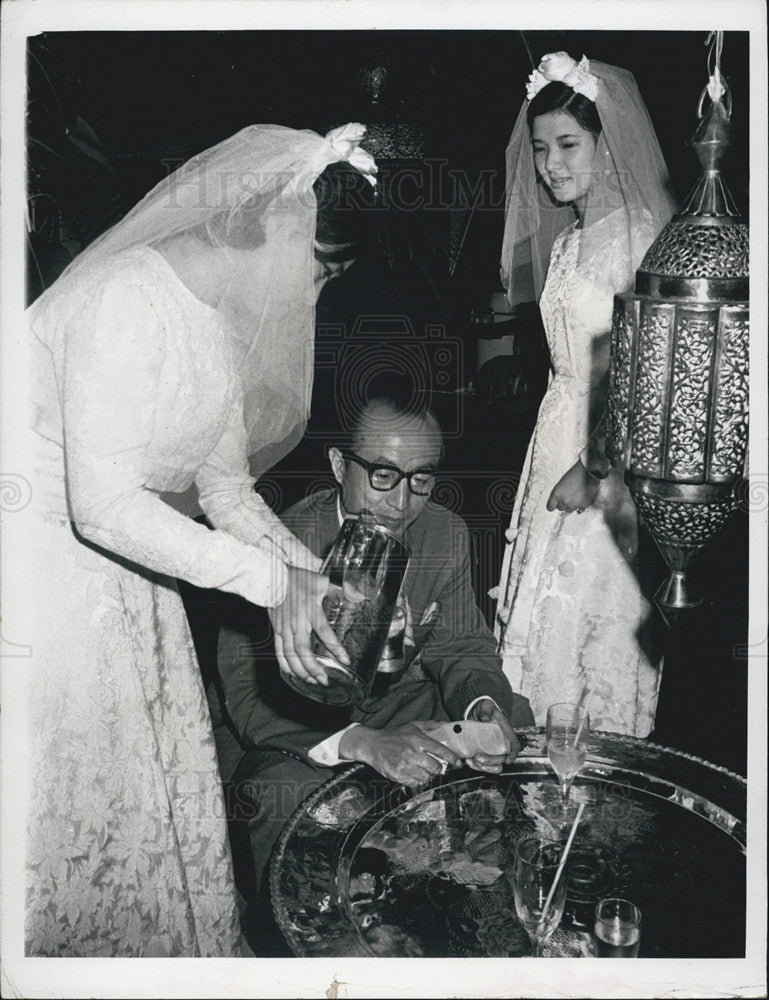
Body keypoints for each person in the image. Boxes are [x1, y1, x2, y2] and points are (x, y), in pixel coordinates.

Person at [24, 122, 380, 956]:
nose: (316, 294)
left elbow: (225, 488)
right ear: (274, 224)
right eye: (321, 268)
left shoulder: (215, 321)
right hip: (44, 582)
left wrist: (314, 580)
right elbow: (102, 504)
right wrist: (268, 588)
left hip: (129, 576)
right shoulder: (123, 295)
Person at [206, 380, 534, 895]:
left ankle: (461, 905)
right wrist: (366, 744)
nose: (402, 503)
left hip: (407, 709)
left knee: (513, 721)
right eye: (383, 476)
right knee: (285, 801)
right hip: (300, 732)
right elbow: (248, 700)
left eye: (421, 481)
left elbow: (463, 647)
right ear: (340, 466)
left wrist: (481, 709)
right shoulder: (272, 543)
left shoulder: (446, 534)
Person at [494, 53, 678, 736]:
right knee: (537, 605)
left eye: (567, 145)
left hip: (610, 456)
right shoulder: (570, 240)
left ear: (608, 143)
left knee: (581, 612)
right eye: (540, 149)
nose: (549, 164)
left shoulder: (638, 238)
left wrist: (595, 465)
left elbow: (652, 369)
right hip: (555, 427)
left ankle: (590, 757)